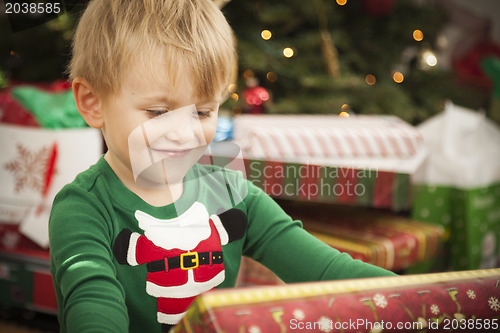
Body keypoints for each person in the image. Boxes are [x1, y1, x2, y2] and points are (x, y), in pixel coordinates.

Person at [49, 0, 397, 332]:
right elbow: (93, 304)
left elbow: (328, 272)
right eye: (157, 112)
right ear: (93, 103)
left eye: (202, 112)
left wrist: (439, 298)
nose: (183, 133)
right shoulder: (83, 209)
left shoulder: (234, 197)